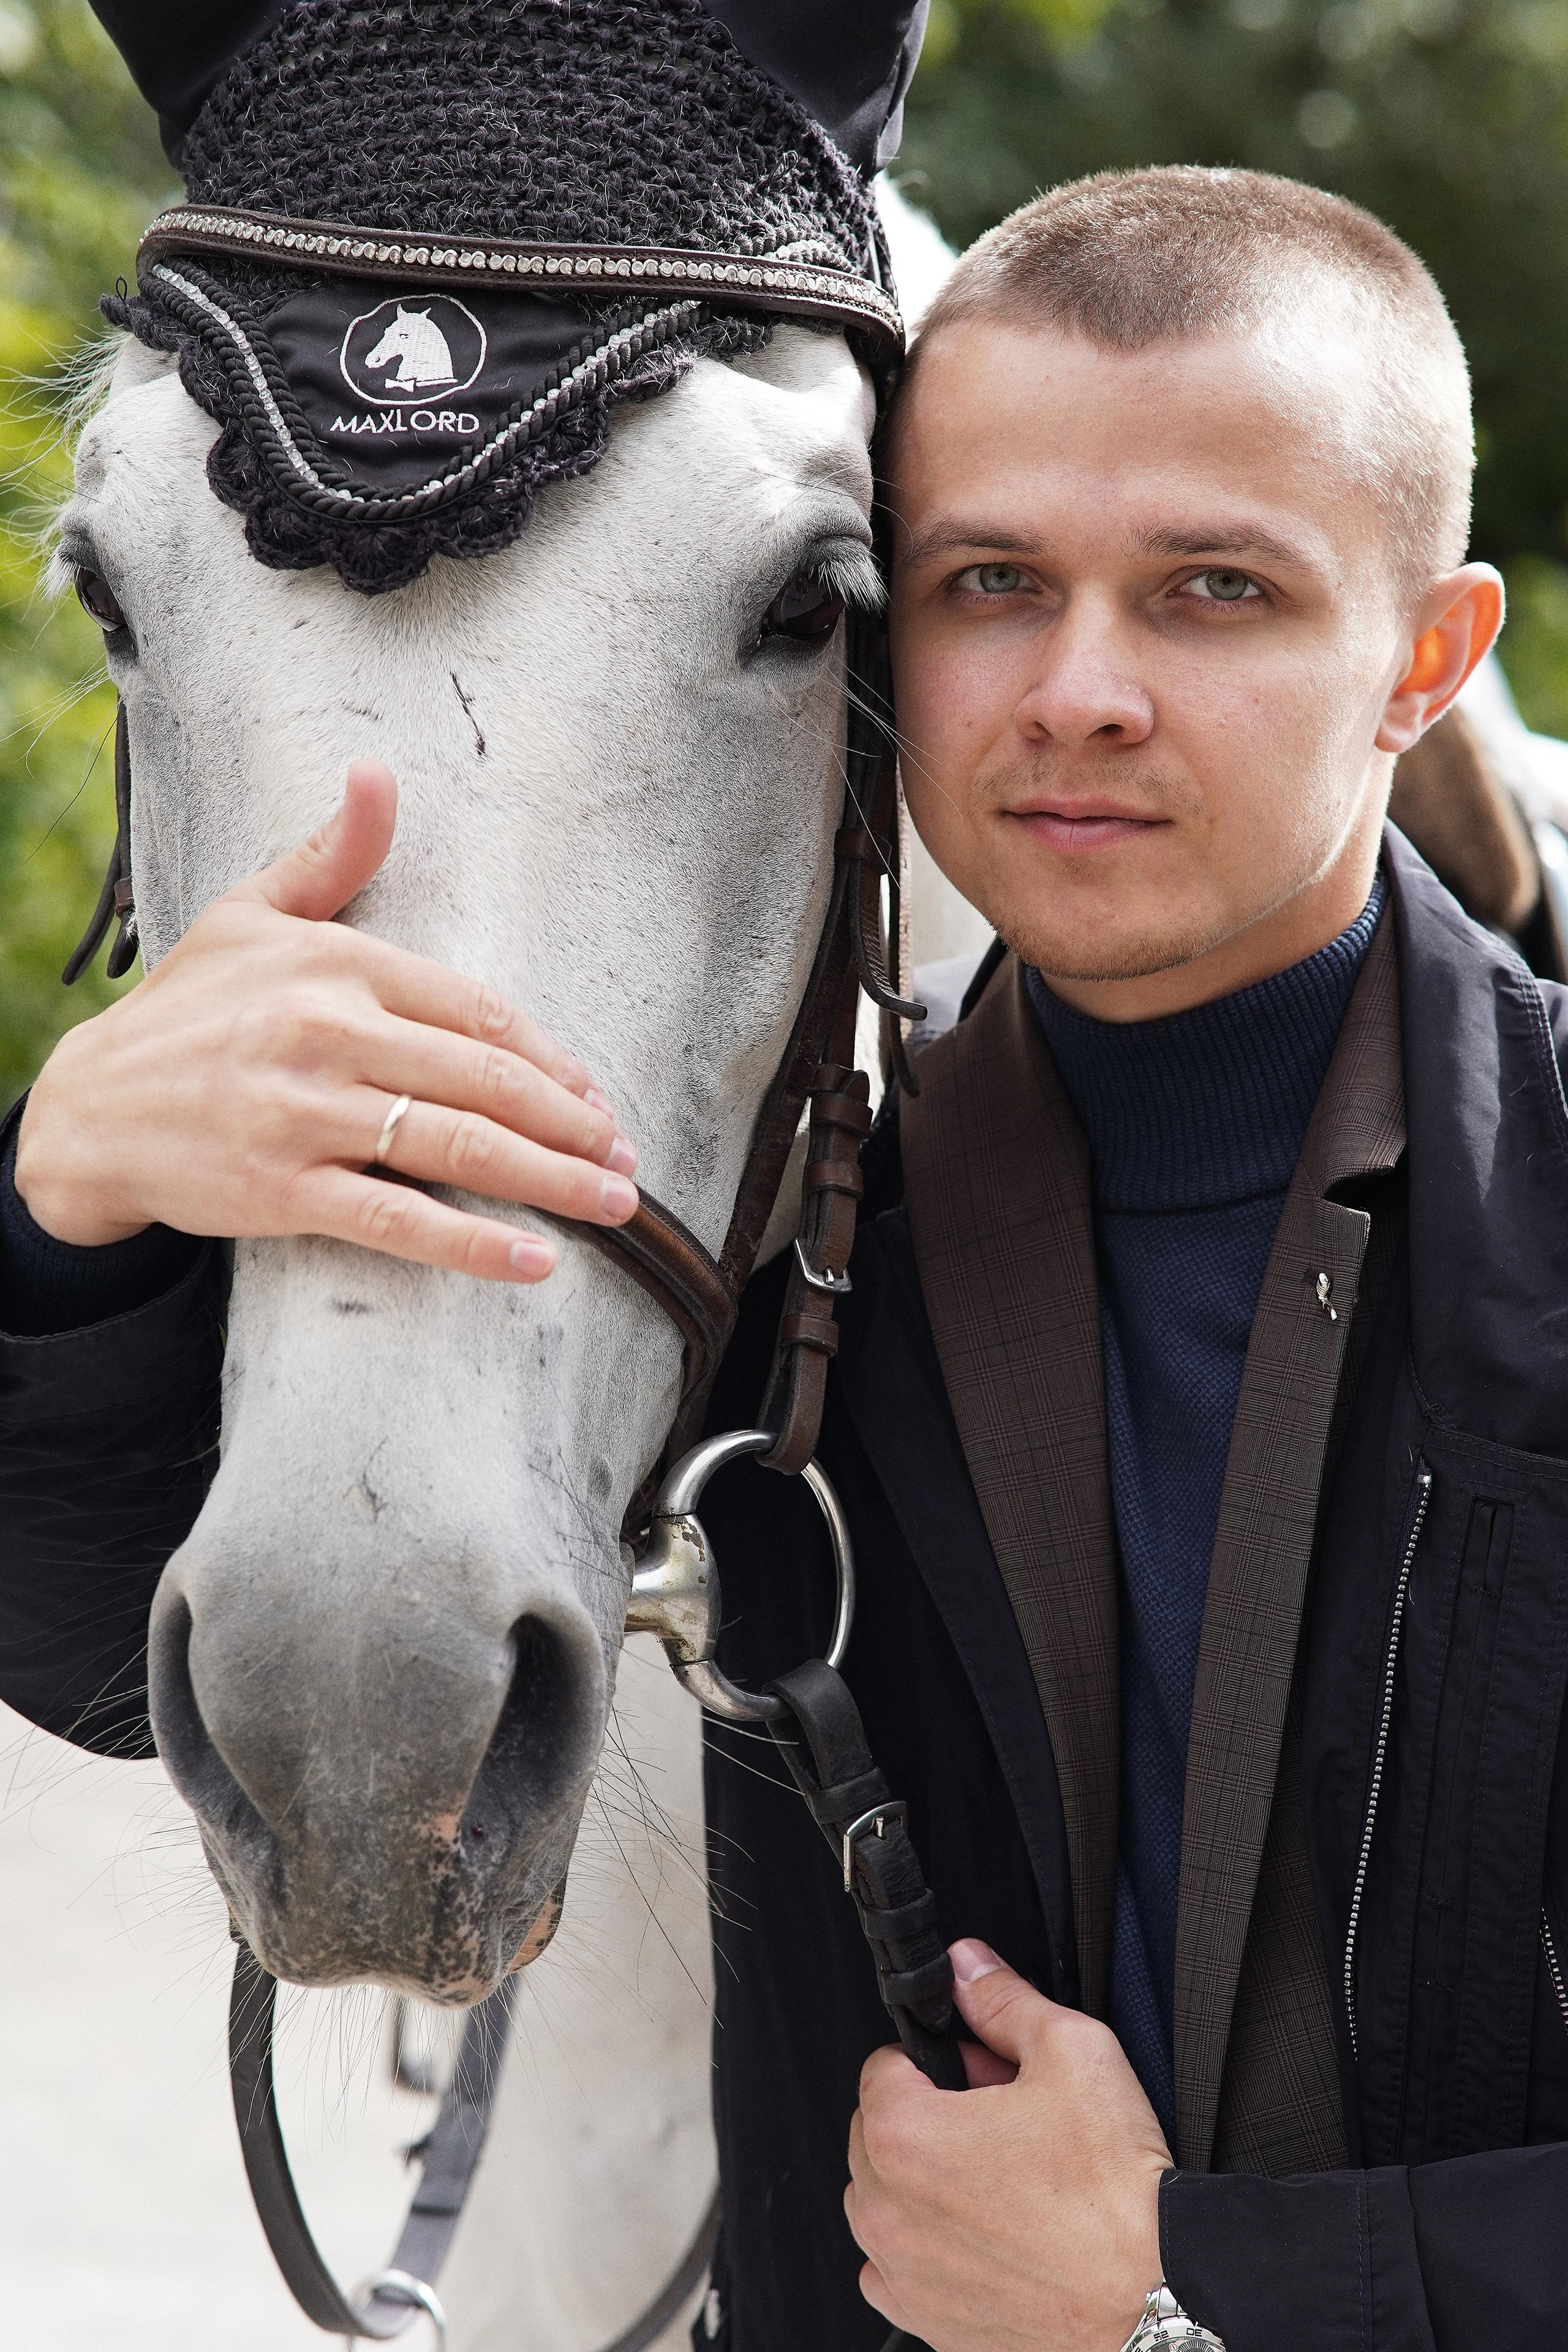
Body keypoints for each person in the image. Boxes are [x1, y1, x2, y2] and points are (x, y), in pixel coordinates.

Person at [4, 163, 1566, 2352]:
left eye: (1215, 589)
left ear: (1425, 657)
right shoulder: (793, 1236)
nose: (1082, 690)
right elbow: (139, 1626)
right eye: (988, 582)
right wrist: (69, 1198)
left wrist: (1194, 2289)